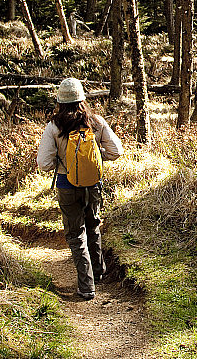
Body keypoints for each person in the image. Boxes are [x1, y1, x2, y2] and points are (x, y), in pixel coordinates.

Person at [37, 78, 123, 300]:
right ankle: (99, 272)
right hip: (93, 184)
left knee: (76, 234)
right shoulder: (95, 122)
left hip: (66, 185)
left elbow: (44, 164)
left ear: (60, 101)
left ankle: (86, 287)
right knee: (93, 225)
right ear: (83, 99)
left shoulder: (54, 127)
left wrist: (65, 161)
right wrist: (96, 156)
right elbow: (116, 151)